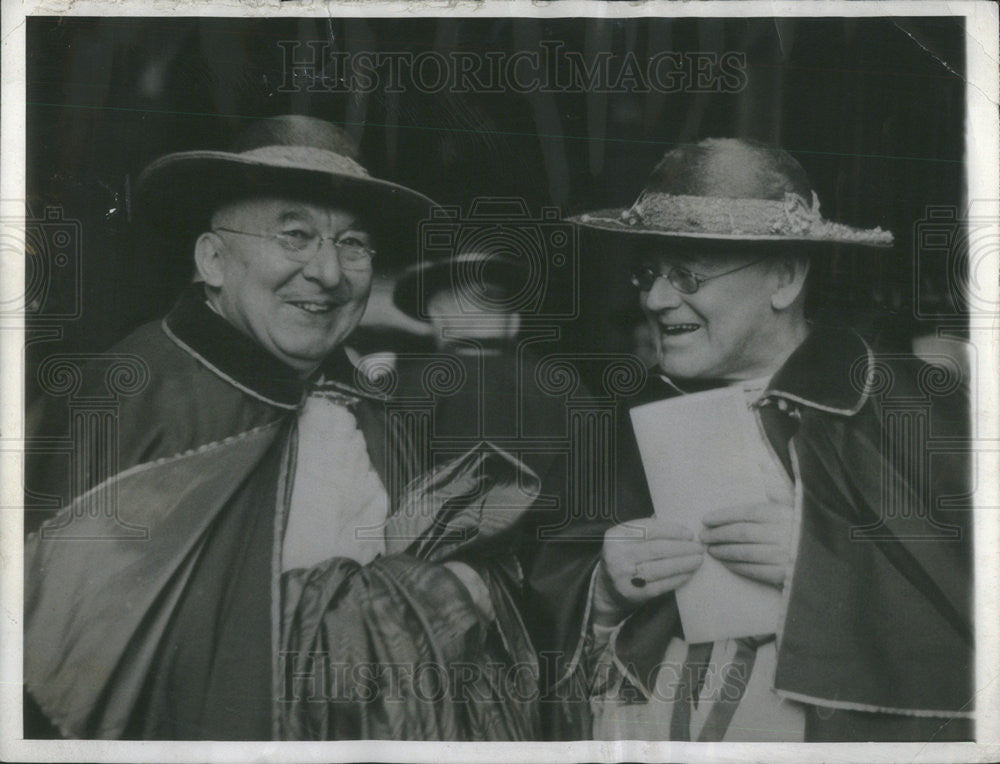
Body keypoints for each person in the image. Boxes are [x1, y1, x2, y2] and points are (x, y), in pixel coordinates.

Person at [24, 115, 540, 741]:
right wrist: (418, 601)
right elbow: (91, 669)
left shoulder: (366, 403)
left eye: (353, 244)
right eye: (295, 236)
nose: (329, 274)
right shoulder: (133, 393)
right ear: (213, 259)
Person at [526, 138, 973, 741]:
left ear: (785, 277)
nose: (656, 300)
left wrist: (817, 563)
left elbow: (973, 603)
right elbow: (537, 613)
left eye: (687, 274)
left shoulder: (917, 406)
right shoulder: (620, 421)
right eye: (648, 273)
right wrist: (602, 594)